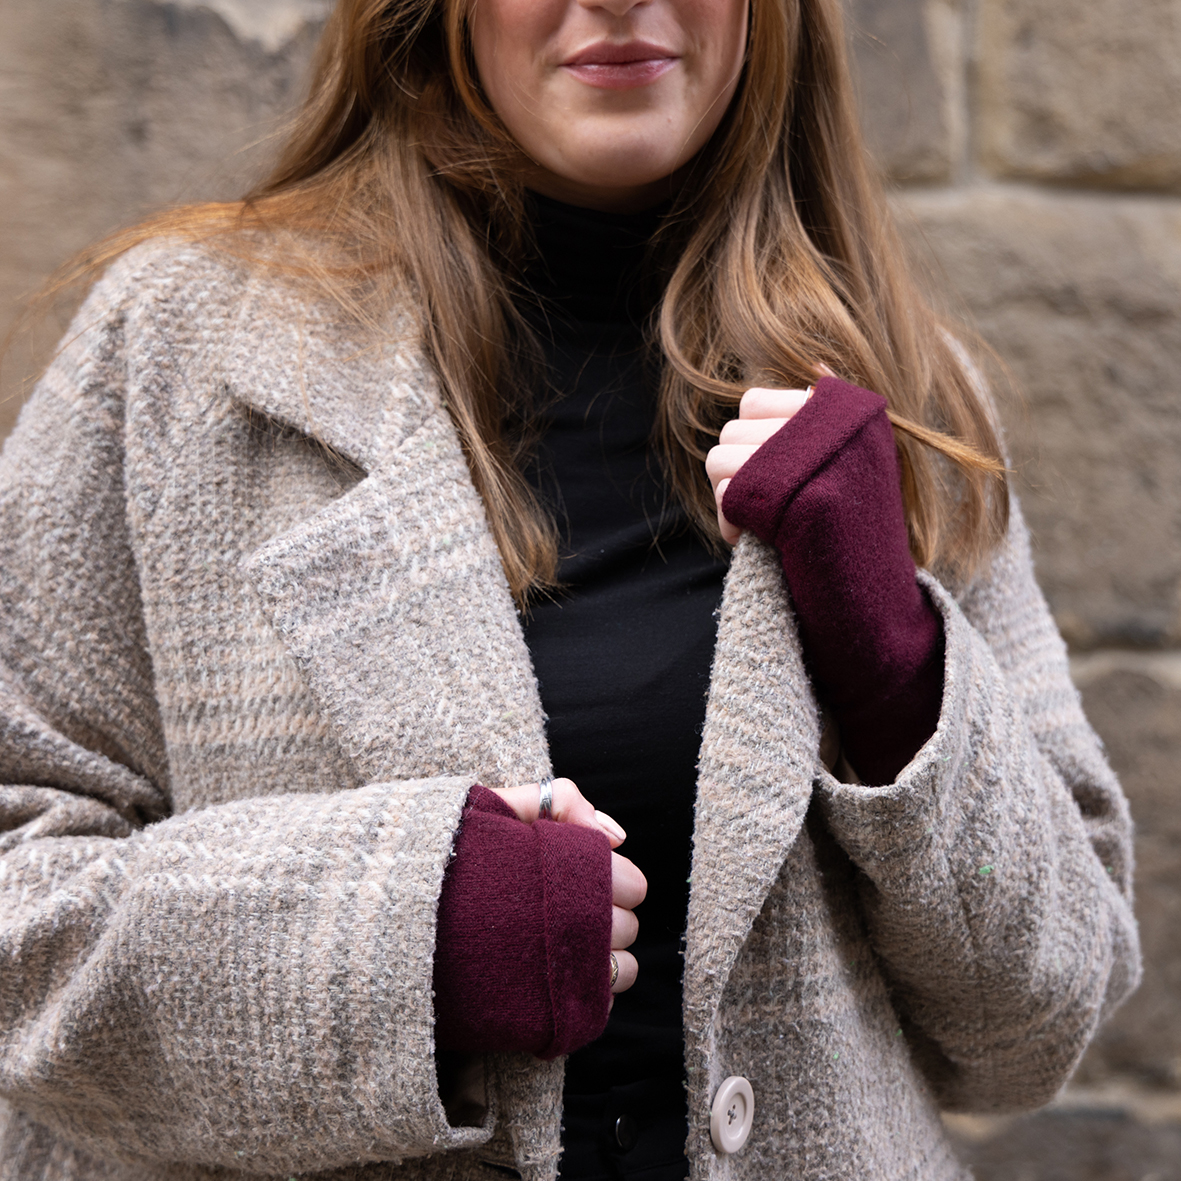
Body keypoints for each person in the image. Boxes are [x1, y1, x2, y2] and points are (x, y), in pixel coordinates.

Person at [0, 0, 1140, 1178]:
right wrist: (405, 934)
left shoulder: (901, 387)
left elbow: (1035, 1025)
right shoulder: (185, 354)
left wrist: (894, 660)